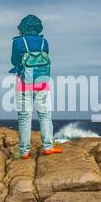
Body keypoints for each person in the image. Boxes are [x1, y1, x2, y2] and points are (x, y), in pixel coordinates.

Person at [9, 15, 63, 160]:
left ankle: (24, 151)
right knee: (45, 115)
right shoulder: (44, 42)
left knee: (24, 116)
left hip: (23, 82)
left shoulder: (18, 42)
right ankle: (48, 147)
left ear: (22, 27)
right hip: (42, 82)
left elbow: (14, 60)